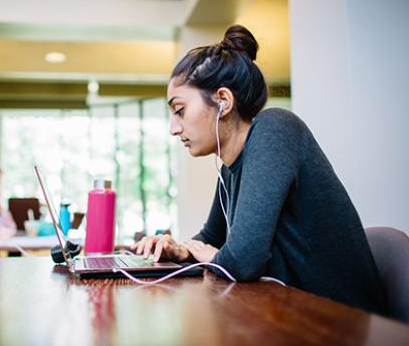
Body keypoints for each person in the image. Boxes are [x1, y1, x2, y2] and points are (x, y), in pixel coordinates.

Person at [131, 25, 387, 315]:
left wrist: (216, 255)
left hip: (343, 322)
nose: (174, 129)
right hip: (293, 313)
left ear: (223, 101)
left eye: (179, 110)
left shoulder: (275, 129)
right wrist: (181, 250)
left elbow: (242, 260)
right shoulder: (229, 166)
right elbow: (212, 238)